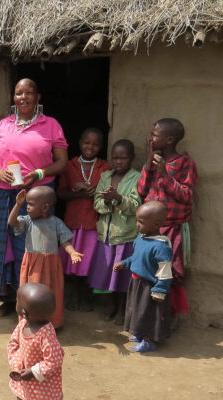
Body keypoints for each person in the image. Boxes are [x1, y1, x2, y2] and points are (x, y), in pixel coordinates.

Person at [0, 78, 68, 316]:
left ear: (38, 97)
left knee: (34, 248)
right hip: (4, 194)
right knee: (5, 245)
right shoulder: (2, 125)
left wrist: (39, 173)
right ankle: (10, 298)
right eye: (19, 93)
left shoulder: (50, 125)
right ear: (13, 97)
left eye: (29, 93)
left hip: (36, 196)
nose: (23, 97)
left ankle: (37, 305)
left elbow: (61, 162)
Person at [137, 118, 197, 317]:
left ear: (169, 139)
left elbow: (187, 196)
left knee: (168, 272)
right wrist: (148, 162)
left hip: (171, 229)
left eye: (154, 135)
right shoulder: (154, 161)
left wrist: (165, 174)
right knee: (147, 270)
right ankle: (148, 315)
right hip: (149, 230)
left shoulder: (185, 163)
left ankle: (167, 316)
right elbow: (141, 190)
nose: (150, 138)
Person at [8, 186, 83, 328]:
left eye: (30, 204)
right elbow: (12, 222)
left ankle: (52, 323)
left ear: (45, 207)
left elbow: (65, 241)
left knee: (50, 293)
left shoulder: (56, 223)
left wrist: (72, 252)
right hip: (32, 264)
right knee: (29, 292)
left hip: (50, 266)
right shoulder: (28, 220)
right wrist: (18, 204)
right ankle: (28, 321)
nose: (27, 207)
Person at [57, 128, 110, 312]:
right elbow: (60, 194)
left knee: (89, 262)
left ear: (101, 147)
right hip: (72, 222)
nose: (90, 147)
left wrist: (95, 192)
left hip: (92, 223)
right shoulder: (69, 166)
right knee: (70, 262)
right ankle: (72, 295)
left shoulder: (105, 168)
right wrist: (75, 193)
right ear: (79, 143)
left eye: (95, 144)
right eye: (87, 143)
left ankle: (86, 297)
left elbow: (109, 193)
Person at [89, 139, 140, 324]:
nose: (118, 162)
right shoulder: (105, 177)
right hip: (106, 235)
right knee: (107, 274)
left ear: (132, 158)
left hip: (126, 235)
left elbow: (136, 206)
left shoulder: (137, 178)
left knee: (123, 277)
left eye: (123, 158)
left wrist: (118, 199)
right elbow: (96, 203)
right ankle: (110, 306)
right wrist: (108, 202)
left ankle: (122, 310)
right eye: (115, 158)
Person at [114, 201, 173, 353]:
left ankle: (149, 341)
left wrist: (160, 290)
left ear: (156, 224)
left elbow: (165, 272)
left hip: (150, 287)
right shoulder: (140, 238)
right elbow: (136, 257)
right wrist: (125, 263)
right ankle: (139, 334)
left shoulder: (161, 247)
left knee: (148, 315)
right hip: (136, 282)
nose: (137, 224)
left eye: (141, 221)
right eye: (137, 220)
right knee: (136, 311)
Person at [8, 282, 64, 400]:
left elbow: (54, 361)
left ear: (24, 312)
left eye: (18, 301)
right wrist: (16, 364)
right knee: (22, 396)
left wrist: (33, 372)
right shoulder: (23, 324)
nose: (16, 302)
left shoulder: (46, 334)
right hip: (23, 379)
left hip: (41, 385)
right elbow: (13, 343)